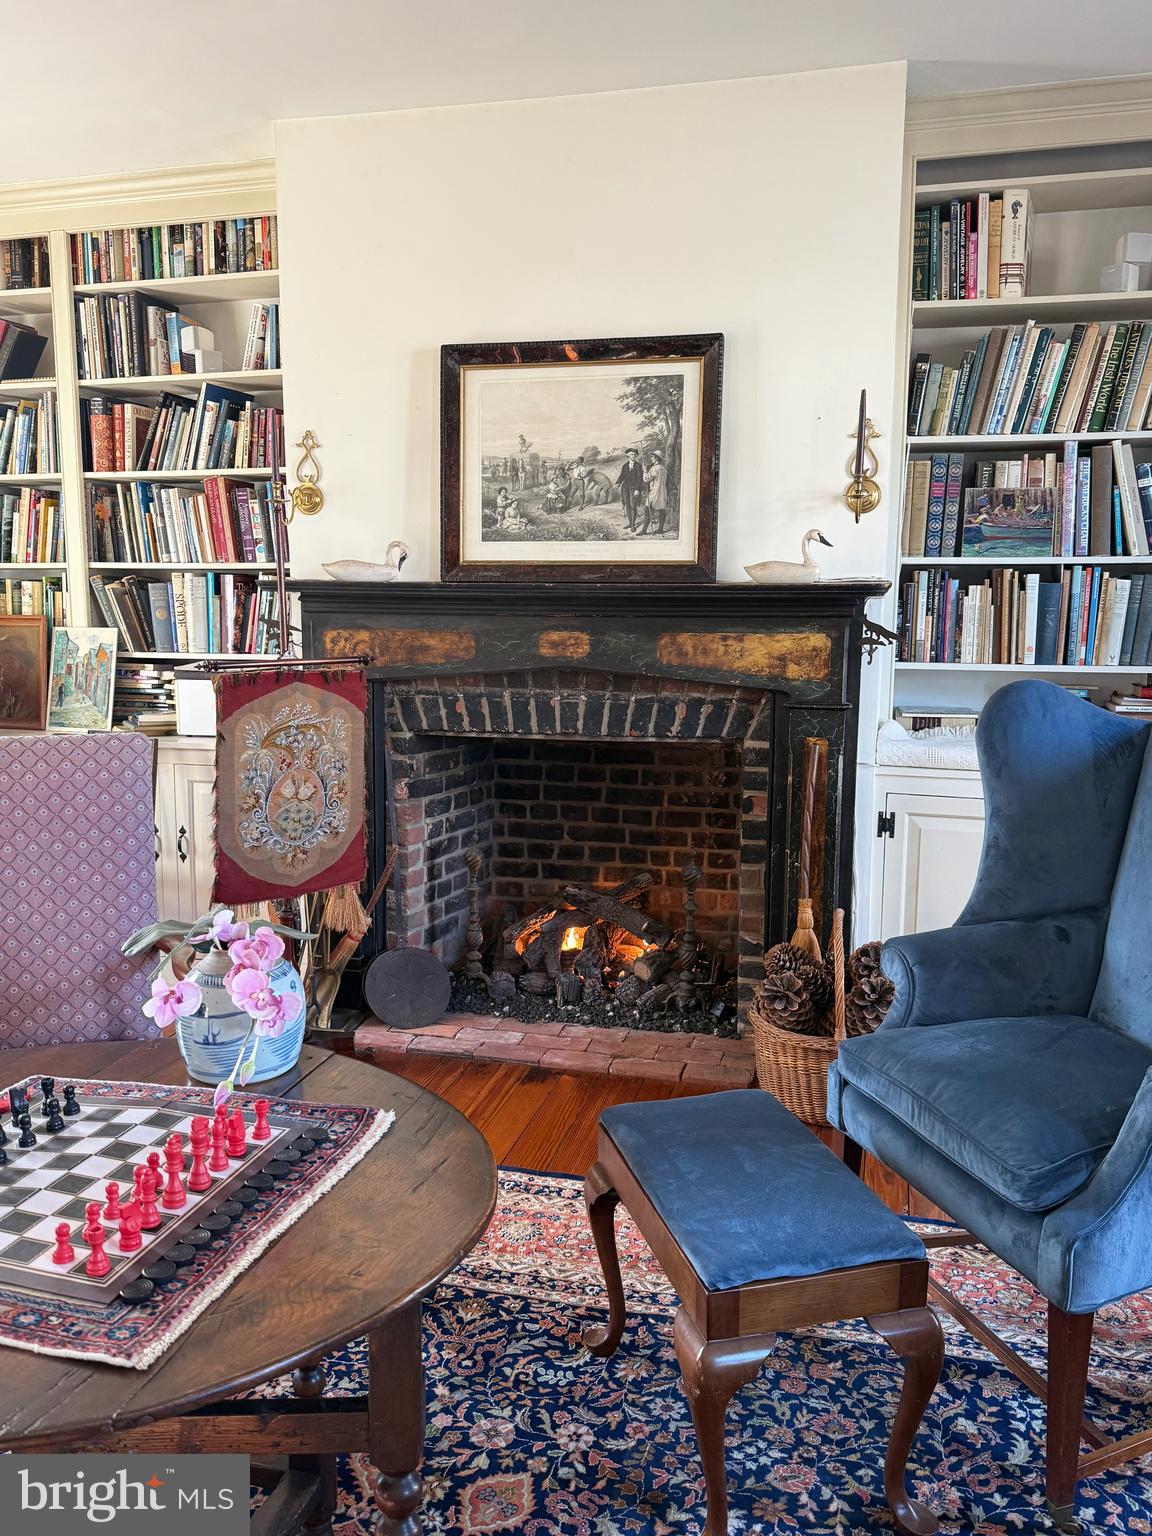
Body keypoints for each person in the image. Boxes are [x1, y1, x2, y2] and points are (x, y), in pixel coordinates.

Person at [638, 452, 669, 536]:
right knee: (662, 510)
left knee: (647, 510)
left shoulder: (654, 468)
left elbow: (646, 480)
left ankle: (644, 530)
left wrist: (644, 471)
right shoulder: (664, 469)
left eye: (652, 457)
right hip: (663, 491)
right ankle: (660, 529)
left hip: (655, 492)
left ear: (656, 458)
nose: (651, 458)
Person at [615, 447, 645, 531]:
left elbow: (640, 479)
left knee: (633, 506)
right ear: (628, 455)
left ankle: (632, 525)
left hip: (634, 488)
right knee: (627, 506)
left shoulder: (638, 466)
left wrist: (637, 489)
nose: (633, 456)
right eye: (631, 454)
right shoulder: (625, 466)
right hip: (625, 488)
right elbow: (622, 476)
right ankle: (630, 522)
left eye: (635, 455)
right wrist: (617, 483)